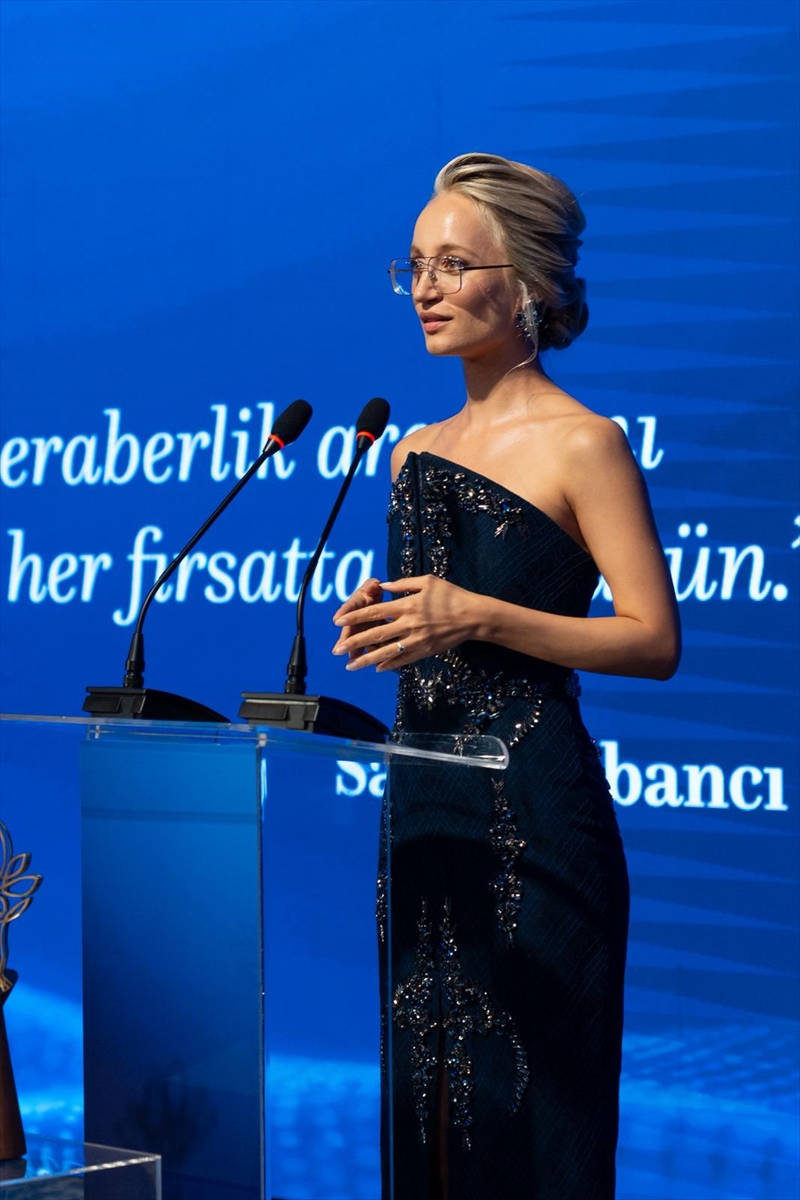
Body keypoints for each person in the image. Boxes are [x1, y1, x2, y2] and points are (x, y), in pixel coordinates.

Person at [332, 152, 680, 1200]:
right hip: (423, 811)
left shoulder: (584, 443)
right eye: (413, 267)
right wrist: (389, 620)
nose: (425, 289)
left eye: (452, 264)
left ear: (524, 282)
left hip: (536, 812)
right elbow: (436, 620)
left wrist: (477, 614)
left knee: (532, 1119)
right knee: (429, 1109)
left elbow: (651, 640)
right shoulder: (410, 452)